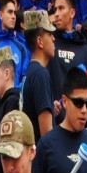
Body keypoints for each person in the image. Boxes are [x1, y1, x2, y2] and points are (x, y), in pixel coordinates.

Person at [20, 9, 56, 140]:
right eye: (49, 34)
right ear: (40, 41)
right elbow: (47, 135)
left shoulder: (30, 72)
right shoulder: (41, 74)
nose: (53, 38)